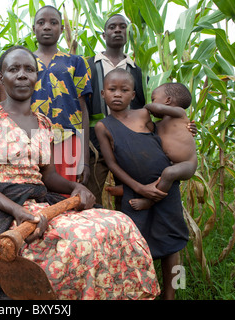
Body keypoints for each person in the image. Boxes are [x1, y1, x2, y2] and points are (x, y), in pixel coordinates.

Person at [0, 45, 160, 300]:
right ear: (1, 75)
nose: (22, 75)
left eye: (29, 69)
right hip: (0, 205)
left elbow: (49, 176)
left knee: (120, 223)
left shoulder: (42, 123)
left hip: (39, 200)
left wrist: (75, 187)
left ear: (37, 76)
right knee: (79, 238)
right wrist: (17, 210)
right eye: (14, 69)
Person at [95, 68, 189, 299]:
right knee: (135, 244)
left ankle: (174, 293)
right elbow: (112, 164)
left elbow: (170, 129)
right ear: (102, 93)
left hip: (167, 190)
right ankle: (140, 292)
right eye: (112, 90)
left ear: (133, 94)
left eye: (124, 90)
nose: (118, 94)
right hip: (134, 194)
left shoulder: (145, 115)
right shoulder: (103, 126)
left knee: (174, 243)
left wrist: (188, 128)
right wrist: (138, 188)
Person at [86, 14, 146, 207]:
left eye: (122, 27)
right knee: (91, 190)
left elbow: (143, 105)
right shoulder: (88, 65)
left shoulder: (136, 70)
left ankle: (128, 233)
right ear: (104, 34)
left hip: (128, 142)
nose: (117, 30)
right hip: (95, 144)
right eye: (112, 27)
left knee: (129, 194)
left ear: (128, 34)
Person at [30, 5, 92, 185]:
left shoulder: (76, 62)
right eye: (41, 23)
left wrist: (85, 161)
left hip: (68, 139)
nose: (47, 27)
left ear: (62, 29)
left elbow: (83, 109)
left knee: (65, 195)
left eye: (53, 22)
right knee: (32, 192)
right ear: (34, 29)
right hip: (31, 138)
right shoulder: (24, 62)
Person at [128, 82, 198, 210]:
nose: (152, 102)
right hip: (171, 162)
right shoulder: (158, 125)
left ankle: (151, 201)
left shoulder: (180, 114)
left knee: (169, 173)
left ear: (168, 100)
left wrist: (146, 107)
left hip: (187, 163)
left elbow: (158, 109)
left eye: (153, 99)